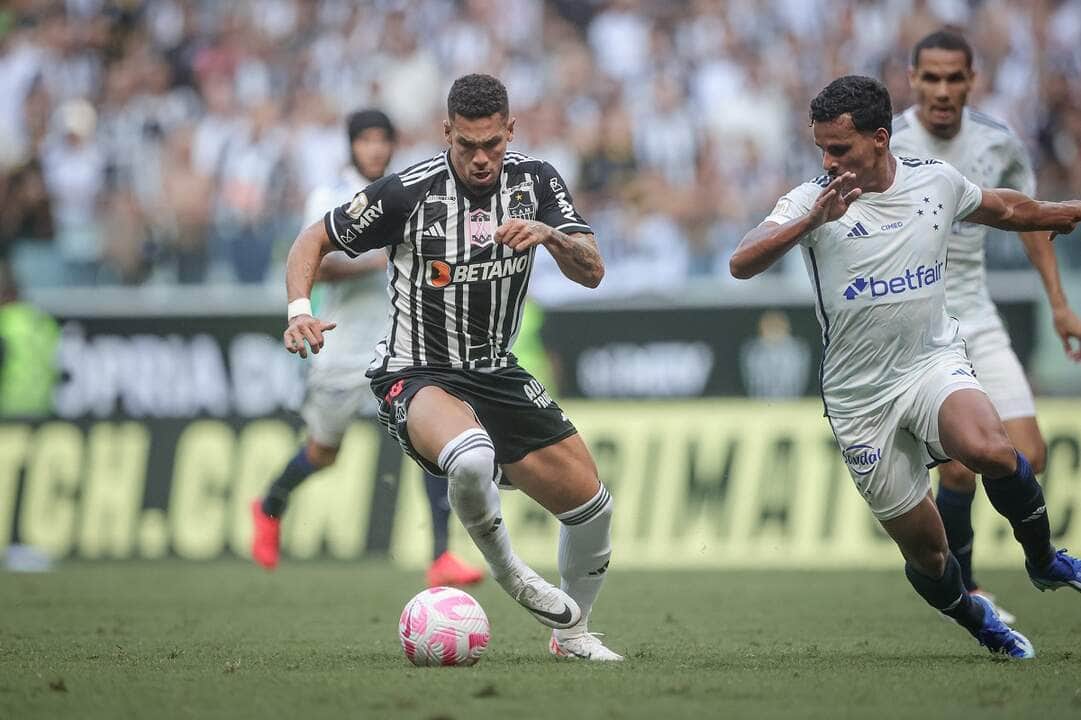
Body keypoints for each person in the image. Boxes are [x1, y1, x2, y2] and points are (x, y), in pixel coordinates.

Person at [730, 74, 1081, 659]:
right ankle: (978, 620)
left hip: (930, 364)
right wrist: (811, 221)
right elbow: (742, 262)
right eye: (819, 147)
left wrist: (1059, 209)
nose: (827, 160)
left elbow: (1000, 207)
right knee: (929, 553)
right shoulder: (811, 200)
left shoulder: (933, 182)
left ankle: (1043, 558)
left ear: (879, 139)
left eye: (838, 148)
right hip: (859, 400)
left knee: (991, 448)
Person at [281, 75, 621, 661]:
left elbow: (592, 271)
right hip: (418, 371)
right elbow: (313, 239)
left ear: (510, 130)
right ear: (447, 134)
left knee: (593, 508)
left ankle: (573, 634)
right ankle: (510, 572)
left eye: (492, 143)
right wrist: (298, 310)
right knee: (471, 457)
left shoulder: (537, 183)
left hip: (497, 370)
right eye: (467, 145)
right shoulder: (408, 193)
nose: (482, 157)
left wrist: (550, 237)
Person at [890, 29, 1081, 624]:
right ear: (913, 79)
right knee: (957, 461)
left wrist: (1058, 305)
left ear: (972, 81)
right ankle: (968, 587)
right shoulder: (886, 142)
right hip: (920, 323)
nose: (942, 90)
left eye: (954, 78)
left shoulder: (998, 143)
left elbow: (1030, 222)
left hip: (978, 314)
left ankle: (1031, 561)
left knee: (1027, 455)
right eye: (931, 78)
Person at [251, 109, 484, 588]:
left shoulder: (406, 192)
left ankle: (441, 556)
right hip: (341, 343)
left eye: (383, 139)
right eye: (366, 140)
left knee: (432, 440)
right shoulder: (331, 197)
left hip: (400, 343)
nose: (375, 148)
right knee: (324, 451)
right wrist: (383, 257)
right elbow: (319, 261)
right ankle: (270, 503)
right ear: (351, 146)